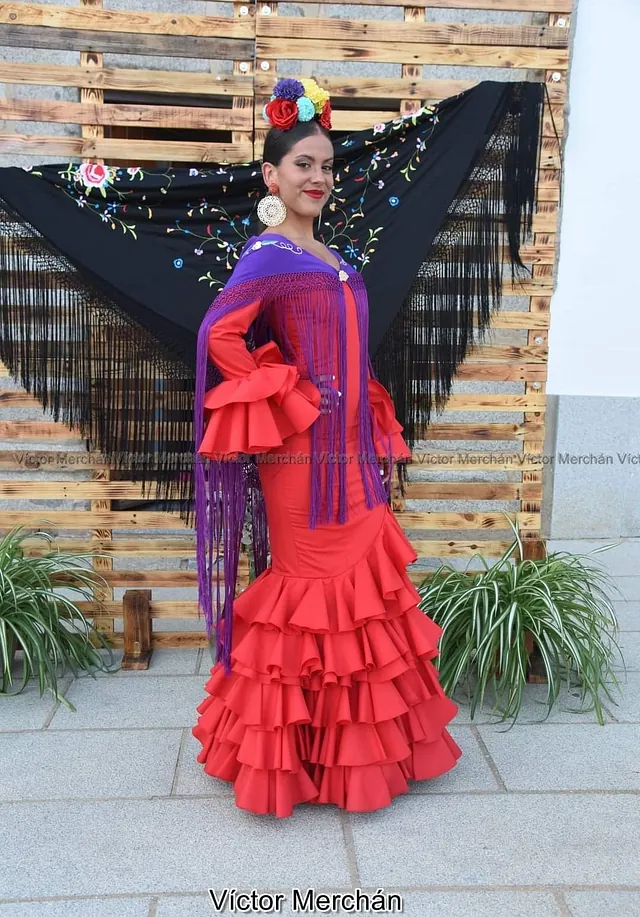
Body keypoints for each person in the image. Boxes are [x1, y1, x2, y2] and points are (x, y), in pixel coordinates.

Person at [192, 78, 462, 817]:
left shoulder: (330, 252)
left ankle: (354, 757)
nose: (317, 178)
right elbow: (219, 335)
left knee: (360, 605)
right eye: (303, 164)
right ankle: (292, 758)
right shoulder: (269, 253)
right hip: (303, 466)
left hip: (352, 462)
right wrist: (278, 392)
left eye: (327, 166)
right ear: (271, 176)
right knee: (306, 606)